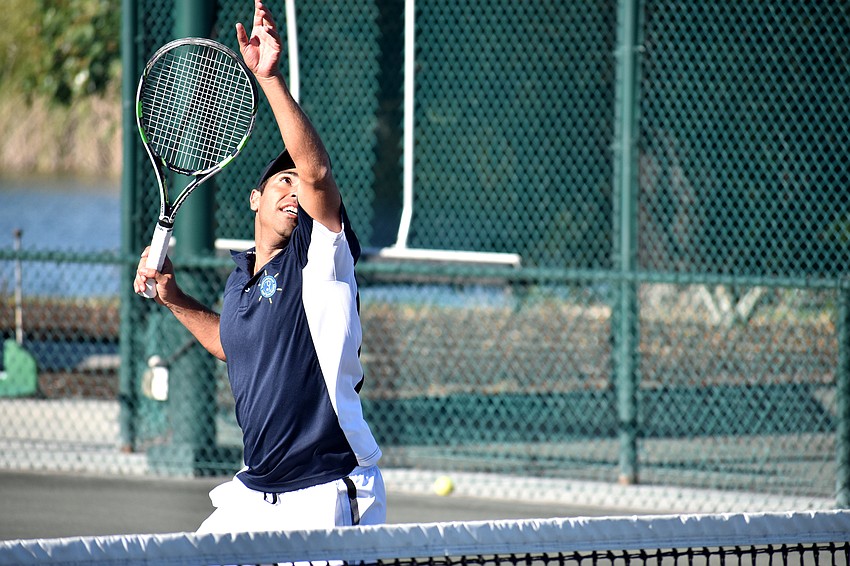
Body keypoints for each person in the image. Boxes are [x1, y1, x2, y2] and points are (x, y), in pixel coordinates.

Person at [133, 0, 385, 533]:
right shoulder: (240, 281)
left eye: (300, 186)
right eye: (281, 182)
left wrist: (268, 79)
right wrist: (173, 296)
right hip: (254, 491)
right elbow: (232, 344)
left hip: (326, 488)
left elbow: (316, 172)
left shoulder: (320, 260)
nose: (294, 191)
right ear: (255, 197)